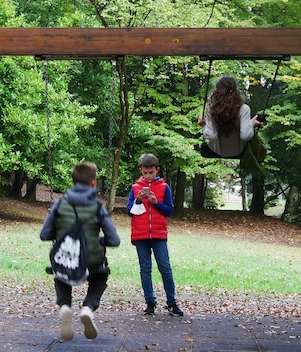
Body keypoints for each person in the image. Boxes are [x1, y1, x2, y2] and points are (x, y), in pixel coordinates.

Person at [40, 161, 121, 341]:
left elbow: (44, 234)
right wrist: (100, 240)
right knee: (100, 277)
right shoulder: (97, 207)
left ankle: (65, 308)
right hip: (92, 261)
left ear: (73, 181)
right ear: (93, 183)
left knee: (61, 276)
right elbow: (114, 240)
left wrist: (61, 235)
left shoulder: (60, 205)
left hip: (66, 259)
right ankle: (87, 309)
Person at [126, 153, 184, 317]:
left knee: (165, 268)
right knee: (145, 269)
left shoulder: (164, 187)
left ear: (157, 170)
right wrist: (138, 200)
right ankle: (150, 302)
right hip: (140, 234)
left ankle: (172, 302)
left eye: (151, 172)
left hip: (158, 233)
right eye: (145, 173)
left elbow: (169, 210)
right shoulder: (135, 188)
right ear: (141, 171)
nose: (148, 176)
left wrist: (156, 203)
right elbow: (129, 212)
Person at [197, 75, 264, 157]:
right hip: (238, 151)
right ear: (236, 90)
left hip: (216, 150)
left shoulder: (211, 109)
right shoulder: (244, 109)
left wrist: (204, 125)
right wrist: (252, 124)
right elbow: (246, 136)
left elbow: (211, 135)